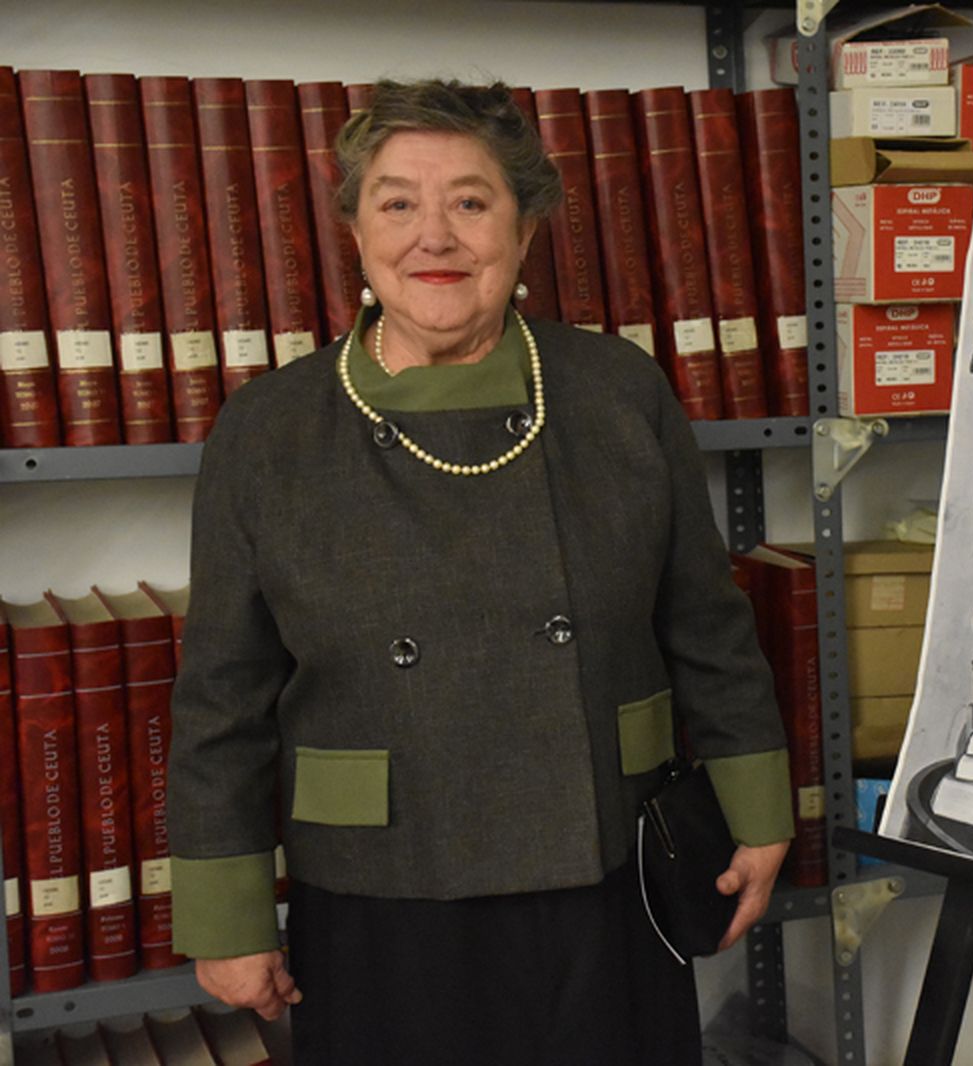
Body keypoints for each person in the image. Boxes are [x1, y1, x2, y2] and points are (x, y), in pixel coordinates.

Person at [167, 78, 793, 1065]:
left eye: (470, 201)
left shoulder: (617, 393)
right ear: (356, 233)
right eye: (397, 203)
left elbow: (706, 626)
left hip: (605, 866)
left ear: (524, 228)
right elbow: (221, 696)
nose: (435, 236)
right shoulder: (269, 428)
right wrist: (227, 914)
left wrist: (760, 815)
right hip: (377, 888)